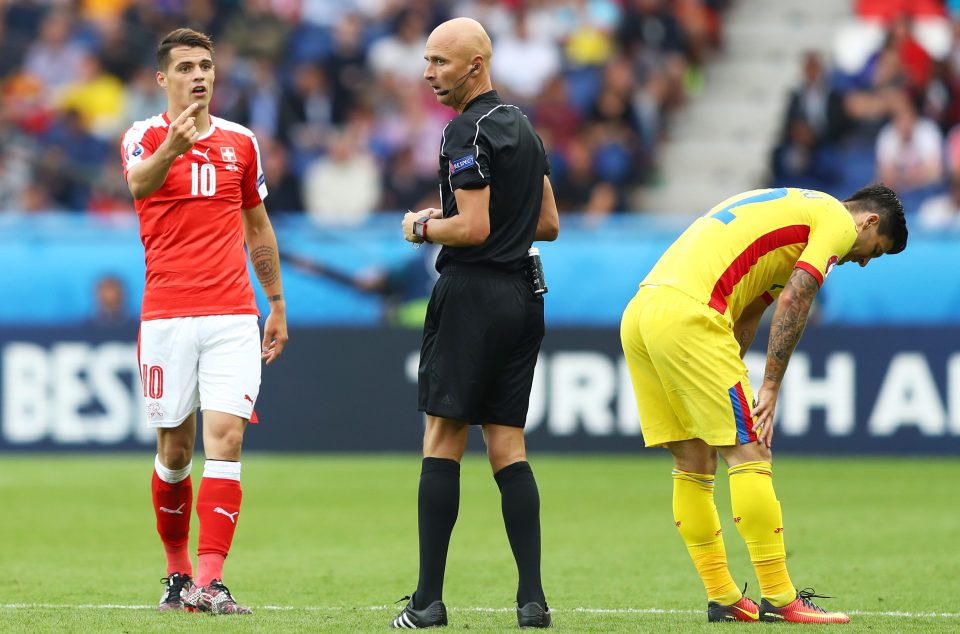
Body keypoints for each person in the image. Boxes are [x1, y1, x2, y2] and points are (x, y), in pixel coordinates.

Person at [620, 185, 907, 625]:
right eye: (876, 250)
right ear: (868, 222)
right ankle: (780, 595)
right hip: (693, 315)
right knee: (751, 450)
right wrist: (770, 386)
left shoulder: (790, 211)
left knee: (693, 459)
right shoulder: (834, 218)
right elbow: (798, 297)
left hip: (643, 312)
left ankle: (725, 597)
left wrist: (731, 374)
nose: (865, 260)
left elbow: (749, 313)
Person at [392, 17, 560, 630]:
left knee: (442, 440)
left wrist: (422, 226)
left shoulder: (465, 130)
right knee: (508, 444)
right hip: (524, 295)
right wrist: (463, 213)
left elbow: (474, 229)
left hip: (472, 294)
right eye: (428, 60)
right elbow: (547, 224)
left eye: (439, 61)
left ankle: (427, 602)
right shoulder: (524, 127)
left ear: (475, 64)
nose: (429, 72)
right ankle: (532, 601)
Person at [120, 28, 288, 615]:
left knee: (228, 439)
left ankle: (210, 582)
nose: (199, 75)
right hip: (166, 314)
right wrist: (175, 145)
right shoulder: (143, 137)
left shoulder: (241, 142)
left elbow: (258, 226)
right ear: (162, 78)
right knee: (173, 452)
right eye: (187, 66)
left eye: (207, 66)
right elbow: (139, 184)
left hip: (232, 314)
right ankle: (176, 572)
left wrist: (277, 304)